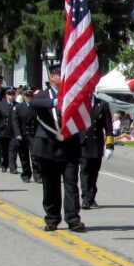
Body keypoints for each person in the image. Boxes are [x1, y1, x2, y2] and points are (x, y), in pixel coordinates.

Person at [30, 64, 85, 232]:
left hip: (69, 146)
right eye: (60, 74)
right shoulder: (43, 95)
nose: (64, 77)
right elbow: (34, 103)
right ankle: (52, 218)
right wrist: (55, 102)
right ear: (52, 77)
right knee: (50, 185)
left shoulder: (72, 96)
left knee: (71, 184)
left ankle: (73, 219)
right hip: (48, 147)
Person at [79, 94, 114, 209]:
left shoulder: (102, 104)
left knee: (94, 172)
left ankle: (91, 197)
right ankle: (86, 198)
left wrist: (109, 146)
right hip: (83, 142)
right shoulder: (79, 102)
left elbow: (108, 127)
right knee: (84, 171)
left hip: (96, 143)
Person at [12, 86, 39, 183]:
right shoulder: (18, 107)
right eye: (27, 95)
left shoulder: (36, 107)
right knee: (24, 156)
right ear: (23, 96)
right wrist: (18, 134)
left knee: (35, 156)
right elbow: (15, 122)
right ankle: (26, 174)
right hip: (22, 134)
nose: (29, 97)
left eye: (30, 95)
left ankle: (37, 175)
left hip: (33, 134)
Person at [0, 86, 18, 172]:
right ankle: (4, 164)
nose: (11, 96)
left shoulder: (17, 105)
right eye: (9, 94)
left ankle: (13, 167)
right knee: (4, 149)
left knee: (13, 150)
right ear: (6, 95)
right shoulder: (0, 105)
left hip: (13, 131)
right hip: (3, 131)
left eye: (13, 94)